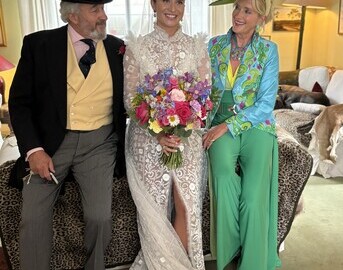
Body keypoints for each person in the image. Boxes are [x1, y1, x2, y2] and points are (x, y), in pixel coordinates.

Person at [8, 0, 126, 269]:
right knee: (33, 217)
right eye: (95, 9)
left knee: (100, 217)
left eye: (103, 9)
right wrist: (34, 150)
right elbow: (19, 103)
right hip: (51, 144)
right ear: (73, 16)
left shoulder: (116, 47)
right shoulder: (39, 45)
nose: (103, 15)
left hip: (100, 143)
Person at [123, 0, 211, 269]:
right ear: (153, 3)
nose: (172, 7)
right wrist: (158, 134)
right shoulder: (136, 47)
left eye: (179, 1)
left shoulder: (197, 46)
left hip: (187, 134)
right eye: (165, 0)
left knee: (185, 200)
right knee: (156, 204)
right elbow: (131, 100)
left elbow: (205, 97)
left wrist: (182, 129)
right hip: (146, 135)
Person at [203, 0, 281, 269]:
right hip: (218, 123)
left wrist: (229, 126)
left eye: (247, 11)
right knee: (223, 179)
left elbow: (266, 103)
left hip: (256, 127)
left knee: (253, 198)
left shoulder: (268, 50)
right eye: (237, 7)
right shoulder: (214, 46)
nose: (237, 15)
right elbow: (202, 90)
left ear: (261, 18)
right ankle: (231, 251)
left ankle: (253, 263)